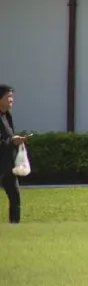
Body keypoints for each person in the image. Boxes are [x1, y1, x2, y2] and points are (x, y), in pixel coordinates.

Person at [0, 85, 26, 224]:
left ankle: (15, 225)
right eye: (8, 96)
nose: (11, 99)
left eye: (12, 96)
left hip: (8, 163)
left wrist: (16, 140)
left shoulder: (7, 116)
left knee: (15, 196)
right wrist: (12, 141)